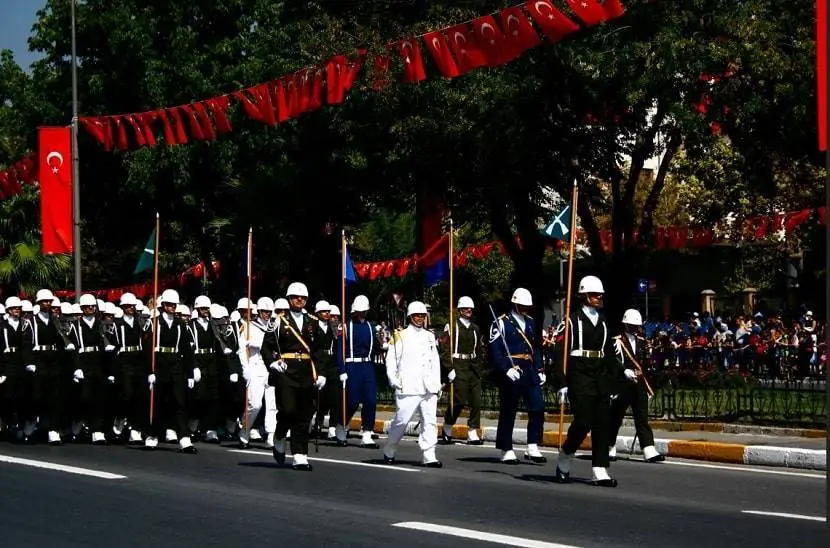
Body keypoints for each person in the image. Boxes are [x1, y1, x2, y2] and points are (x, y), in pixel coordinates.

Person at [554, 275, 618, 487]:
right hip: (579, 373)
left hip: (599, 374)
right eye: (594, 294)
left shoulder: (603, 321)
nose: (599, 297)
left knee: (602, 423)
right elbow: (559, 353)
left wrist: (613, 381)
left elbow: (609, 353)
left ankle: (599, 468)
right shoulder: (571, 321)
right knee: (583, 420)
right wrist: (562, 382)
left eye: (600, 294)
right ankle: (566, 453)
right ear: (584, 296)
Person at [264, 282, 325, 471]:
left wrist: (321, 373)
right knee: (288, 411)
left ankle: (299, 455)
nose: (300, 300)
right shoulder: (279, 321)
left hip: (306, 372)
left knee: (305, 414)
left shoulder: (313, 322)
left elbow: (320, 350)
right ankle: (280, 436)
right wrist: (272, 363)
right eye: (296, 297)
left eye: (303, 298)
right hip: (286, 372)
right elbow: (267, 346)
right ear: (289, 299)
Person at [382, 301, 443, 468]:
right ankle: (390, 448)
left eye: (422, 315)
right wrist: (393, 379)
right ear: (410, 316)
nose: (420, 318)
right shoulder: (400, 335)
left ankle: (429, 454)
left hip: (428, 386)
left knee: (430, 421)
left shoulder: (430, 336)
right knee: (401, 421)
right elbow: (391, 360)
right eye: (417, 315)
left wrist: (437, 384)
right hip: (408, 386)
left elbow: (435, 362)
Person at [489, 288, 546, 464]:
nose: (525, 308)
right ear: (514, 304)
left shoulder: (530, 322)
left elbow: (535, 348)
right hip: (512, 368)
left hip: (528, 368)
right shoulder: (501, 323)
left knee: (537, 406)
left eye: (527, 306)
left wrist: (539, 368)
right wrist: (505, 369)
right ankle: (506, 448)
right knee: (509, 410)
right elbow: (495, 349)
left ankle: (533, 445)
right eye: (522, 305)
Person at [608, 308, 665, 463]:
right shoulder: (617, 341)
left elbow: (646, 362)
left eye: (637, 325)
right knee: (616, 417)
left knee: (642, 417)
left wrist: (646, 380)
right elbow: (613, 361)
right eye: (632, 325)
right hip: (622, 384)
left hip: (638, 384)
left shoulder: (642, 340)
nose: (635, 328)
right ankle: (609, 446)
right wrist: (623, 370)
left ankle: (648, 448)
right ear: (625, 325)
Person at [334, 295, 385, 448]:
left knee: (370, 400)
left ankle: (367, 432)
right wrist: (342, 370)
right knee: (352, 401)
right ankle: (341, 425)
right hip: (352, 366)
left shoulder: (371, 327)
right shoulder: (345, 327)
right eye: (359, 311)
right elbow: (339, 351)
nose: (361, 314)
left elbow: (374, 347)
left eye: (363, 311)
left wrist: (384, 346)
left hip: (367, 366)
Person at [441, 296, 485, 445]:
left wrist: (479, 366)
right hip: (458, 365)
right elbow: (444, 349)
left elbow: (479, 350)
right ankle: (447, 426)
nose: (469, 310)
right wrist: (449, 368)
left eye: (470, 308)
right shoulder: (452, 327)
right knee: (458, 401)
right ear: (460, 310)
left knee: (476, 401)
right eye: (466, 308)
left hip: (472, 366)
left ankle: (473, 431)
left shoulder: (475, 328)